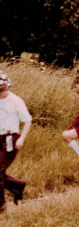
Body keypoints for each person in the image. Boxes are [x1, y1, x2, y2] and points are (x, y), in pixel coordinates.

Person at [0, 71, 32, 213]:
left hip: (10, 140)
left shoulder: (16, 101)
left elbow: (28, 120)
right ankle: (18, 186)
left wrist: (22, 138)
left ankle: (1, 205)